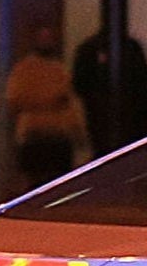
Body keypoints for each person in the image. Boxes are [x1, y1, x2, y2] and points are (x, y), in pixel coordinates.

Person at [5, 21, 86, 188]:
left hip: (59, 136)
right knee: (34, 185)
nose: (46, 41)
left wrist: (78, 134)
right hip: (33, 135)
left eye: (49, 37)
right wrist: (49, 101)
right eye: (42, 37)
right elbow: (15, 100)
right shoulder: (23, 70)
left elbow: (70, 104)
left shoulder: (60, 69)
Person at [74, 23, 147, 156]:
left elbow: (145, 85)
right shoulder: (92, 48)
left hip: (125, 119)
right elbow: (80, 83)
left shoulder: (131, 48)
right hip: (103, 118)